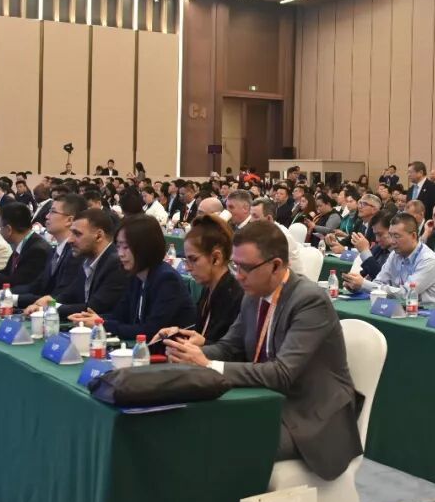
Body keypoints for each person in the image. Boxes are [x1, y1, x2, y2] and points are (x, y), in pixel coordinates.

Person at [163, 220, 362, 480]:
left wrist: (208, 365)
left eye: (246, 267)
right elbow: (229, 347)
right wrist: (188, 352)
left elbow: (282, 373)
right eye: (235, 266)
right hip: (265, 401)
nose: (238, 275)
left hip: (309, 414)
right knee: (194, 425)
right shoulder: (252, 293)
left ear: (276, 266)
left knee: (224, 443)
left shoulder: (309, 300)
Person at [68, 215, 194, 340]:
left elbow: (150, 330)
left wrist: (101, 324)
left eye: (126, 247)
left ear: (146, 247)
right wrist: (92, 319)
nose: (120, 254)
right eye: (118, 247)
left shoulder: (166, 279)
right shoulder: (135, 275)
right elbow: (120, 315)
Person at [152, 215, 242, 346]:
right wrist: (178, 334)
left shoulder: (236, 296)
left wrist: (203, 344)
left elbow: (232, 351)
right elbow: (202, 334)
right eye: (186, 260)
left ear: (216, 258)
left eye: (193, 259)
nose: (187, 268)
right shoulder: (208, 289)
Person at [24, 207, 128, 320]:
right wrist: (50, 301)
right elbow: (70, 295)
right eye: (71, 233)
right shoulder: (86, 259)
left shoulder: (116, 263)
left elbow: (95, 308)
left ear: (98, 236)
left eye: (77, 234)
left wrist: (51, 308)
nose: (70, 240)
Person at [350, 213, 435, 307]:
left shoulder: (428, 260)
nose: (392, 241)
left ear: (413, 236)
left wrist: (364, 284)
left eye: (396, 236)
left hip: (426, 313)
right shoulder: (395, 254)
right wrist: (358, 286)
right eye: (391, 235)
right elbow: (379, 282)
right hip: (401, 308)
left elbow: (406, 294)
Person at [12, 194, 86, 309]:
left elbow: (57, 296)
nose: (47, 216)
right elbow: (36, 286)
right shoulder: (55, 251)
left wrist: (13, 299)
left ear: (69, 220)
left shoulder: (75, 254)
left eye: (52, 212)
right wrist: (5, 293)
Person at [0, 202, 52, 289]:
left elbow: (16, 284)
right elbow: (5, 275)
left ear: (8, 229)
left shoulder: (37, 251)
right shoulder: (22, 244)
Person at [248, 197, 305, 278]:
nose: (251, 220)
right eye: (251, 215)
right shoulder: (258, 233)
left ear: (269, 218)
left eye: (255, 216)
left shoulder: (282, 236)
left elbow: (284, 272)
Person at [346, 213, 392, 281]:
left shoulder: (399, 254)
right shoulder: (378, 248)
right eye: (375, 235)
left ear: (392, 230)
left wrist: (364, 251)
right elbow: (365, 273)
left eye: (380, 234)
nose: (377, 239)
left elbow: (380, 278)